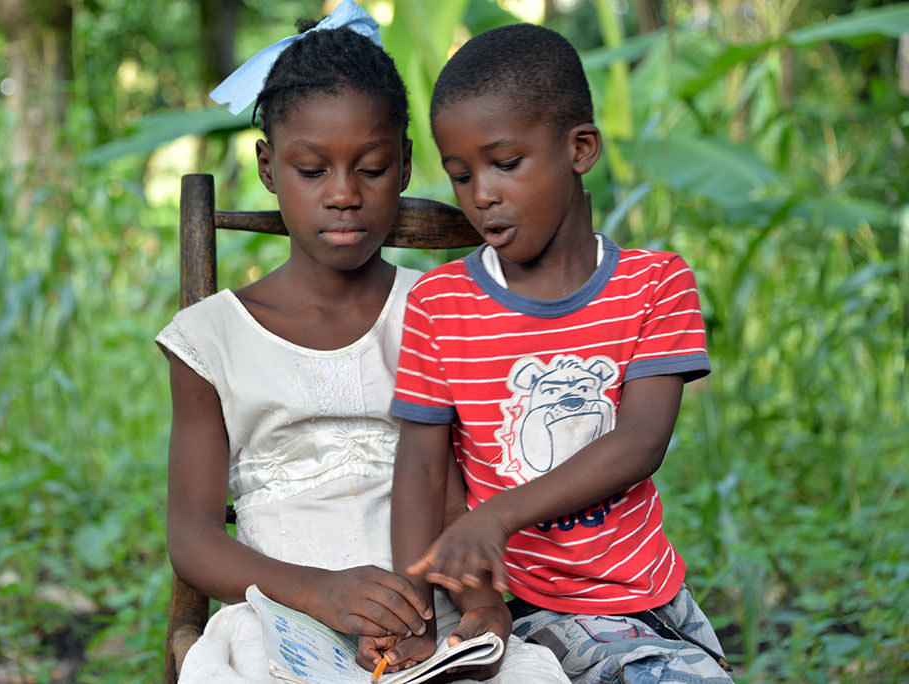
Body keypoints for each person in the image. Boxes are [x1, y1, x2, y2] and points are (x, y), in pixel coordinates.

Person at [156, 3, 567, 682]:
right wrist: (321, 592)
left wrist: (478, 605)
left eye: (370, 169)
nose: (343, 195)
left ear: (404, 166)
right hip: (279, 617)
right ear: (267, 167)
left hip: (428, 619)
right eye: (312, 171)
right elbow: (193, 539)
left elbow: (453, 488)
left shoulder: (440, 313)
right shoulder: (211, 340)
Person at [384, 23, 734, 684]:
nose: (481, 193)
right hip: (527, 605)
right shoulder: (442, 305)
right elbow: (424, 473)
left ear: (580, 149)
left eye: (504, 163)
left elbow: (638, 443)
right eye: (461, 175)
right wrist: (435, 619)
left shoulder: (654, 285)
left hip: (653, 600)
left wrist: (498, 515)